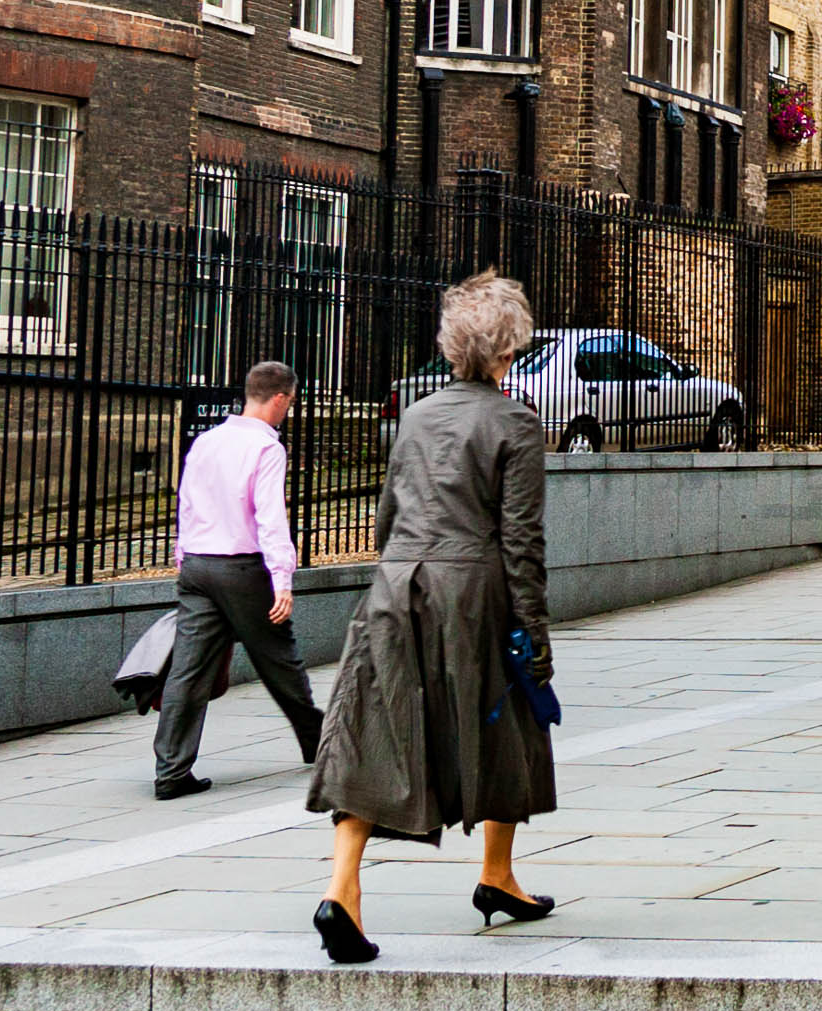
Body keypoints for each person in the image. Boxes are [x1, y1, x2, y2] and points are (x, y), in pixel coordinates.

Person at [308, 272, 558, 964]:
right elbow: (521, 542)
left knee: (373, 729)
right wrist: (535, 638)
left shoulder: (415, 415)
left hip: (395, 586)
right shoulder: (516, 424)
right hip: (471, 590)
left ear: (452, 347)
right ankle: (496, 871)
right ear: (510, 351)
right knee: (515, 718)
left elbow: (387, 516)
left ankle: (343, 891)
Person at [153, 361, 324, 800]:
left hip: (197, 566)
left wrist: (183, 557)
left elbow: (185, 503)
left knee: (187, 672)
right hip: (243, 570)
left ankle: (171, 771)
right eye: (291, 402)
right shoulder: (267, 449)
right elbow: (269, 517)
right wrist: (282, 578)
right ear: (281, 398)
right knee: (280, 661)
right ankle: (320, 745)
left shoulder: (205, 441)